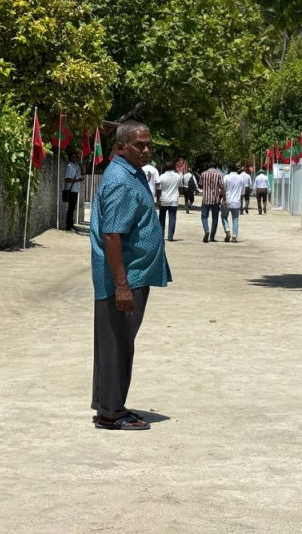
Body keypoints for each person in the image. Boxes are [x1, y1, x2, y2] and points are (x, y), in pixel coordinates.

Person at [90, 120, 172, 431]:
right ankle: (111, 413)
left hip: (131, 276)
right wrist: (122, 286)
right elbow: (112, 235)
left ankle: (108, 405)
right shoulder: (121, 181)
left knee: (115, 343)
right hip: (125, 278)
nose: (146, 150)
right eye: (139, 145)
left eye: (148, 144)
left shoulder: (130, 172)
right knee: (118, 345)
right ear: (121, 147)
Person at [199, 159, 225, 243]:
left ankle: (206, 230)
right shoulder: (219, 174)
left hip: (206, 199)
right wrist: (224, 199)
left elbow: (200, 186)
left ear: (209, 166)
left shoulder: (203, 174)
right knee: (215, 218)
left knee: (204, 216)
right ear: (216, 166)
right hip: (215, 199)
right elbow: (222, 187)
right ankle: (212, 237)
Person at [157, 163, 183, 241]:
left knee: (162, 219)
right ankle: (170, 236)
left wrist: (158, 200)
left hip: (164, 200)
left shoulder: (161, 177)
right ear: (173, 167)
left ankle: (161, 236)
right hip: (174, 201)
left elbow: (159, 190)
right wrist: (177, 194)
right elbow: (181, 187)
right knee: (172, 219)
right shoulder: (178, 176)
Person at [221, 163, 246, 242]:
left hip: (227, 201)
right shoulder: (241, 178)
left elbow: (223, 189)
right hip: (236, 202)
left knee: (224, 216)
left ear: (229, 169)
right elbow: (243, 191)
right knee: (235, 219)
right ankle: (234, 236)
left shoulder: (226, 177)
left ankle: (227, 231)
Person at [63, 150, 84, 232]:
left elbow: (83, 173)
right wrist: (77, 180)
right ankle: (68, 226)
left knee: (72, 208)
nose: (76, 159)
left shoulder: (76, 166)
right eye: (74, 157)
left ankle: (71, 224)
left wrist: (81, 165)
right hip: (71, 190)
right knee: (70, 208)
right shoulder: (69, 166)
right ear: (71, 158)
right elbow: (67, 179)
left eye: (76, 157)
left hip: (75, 189)